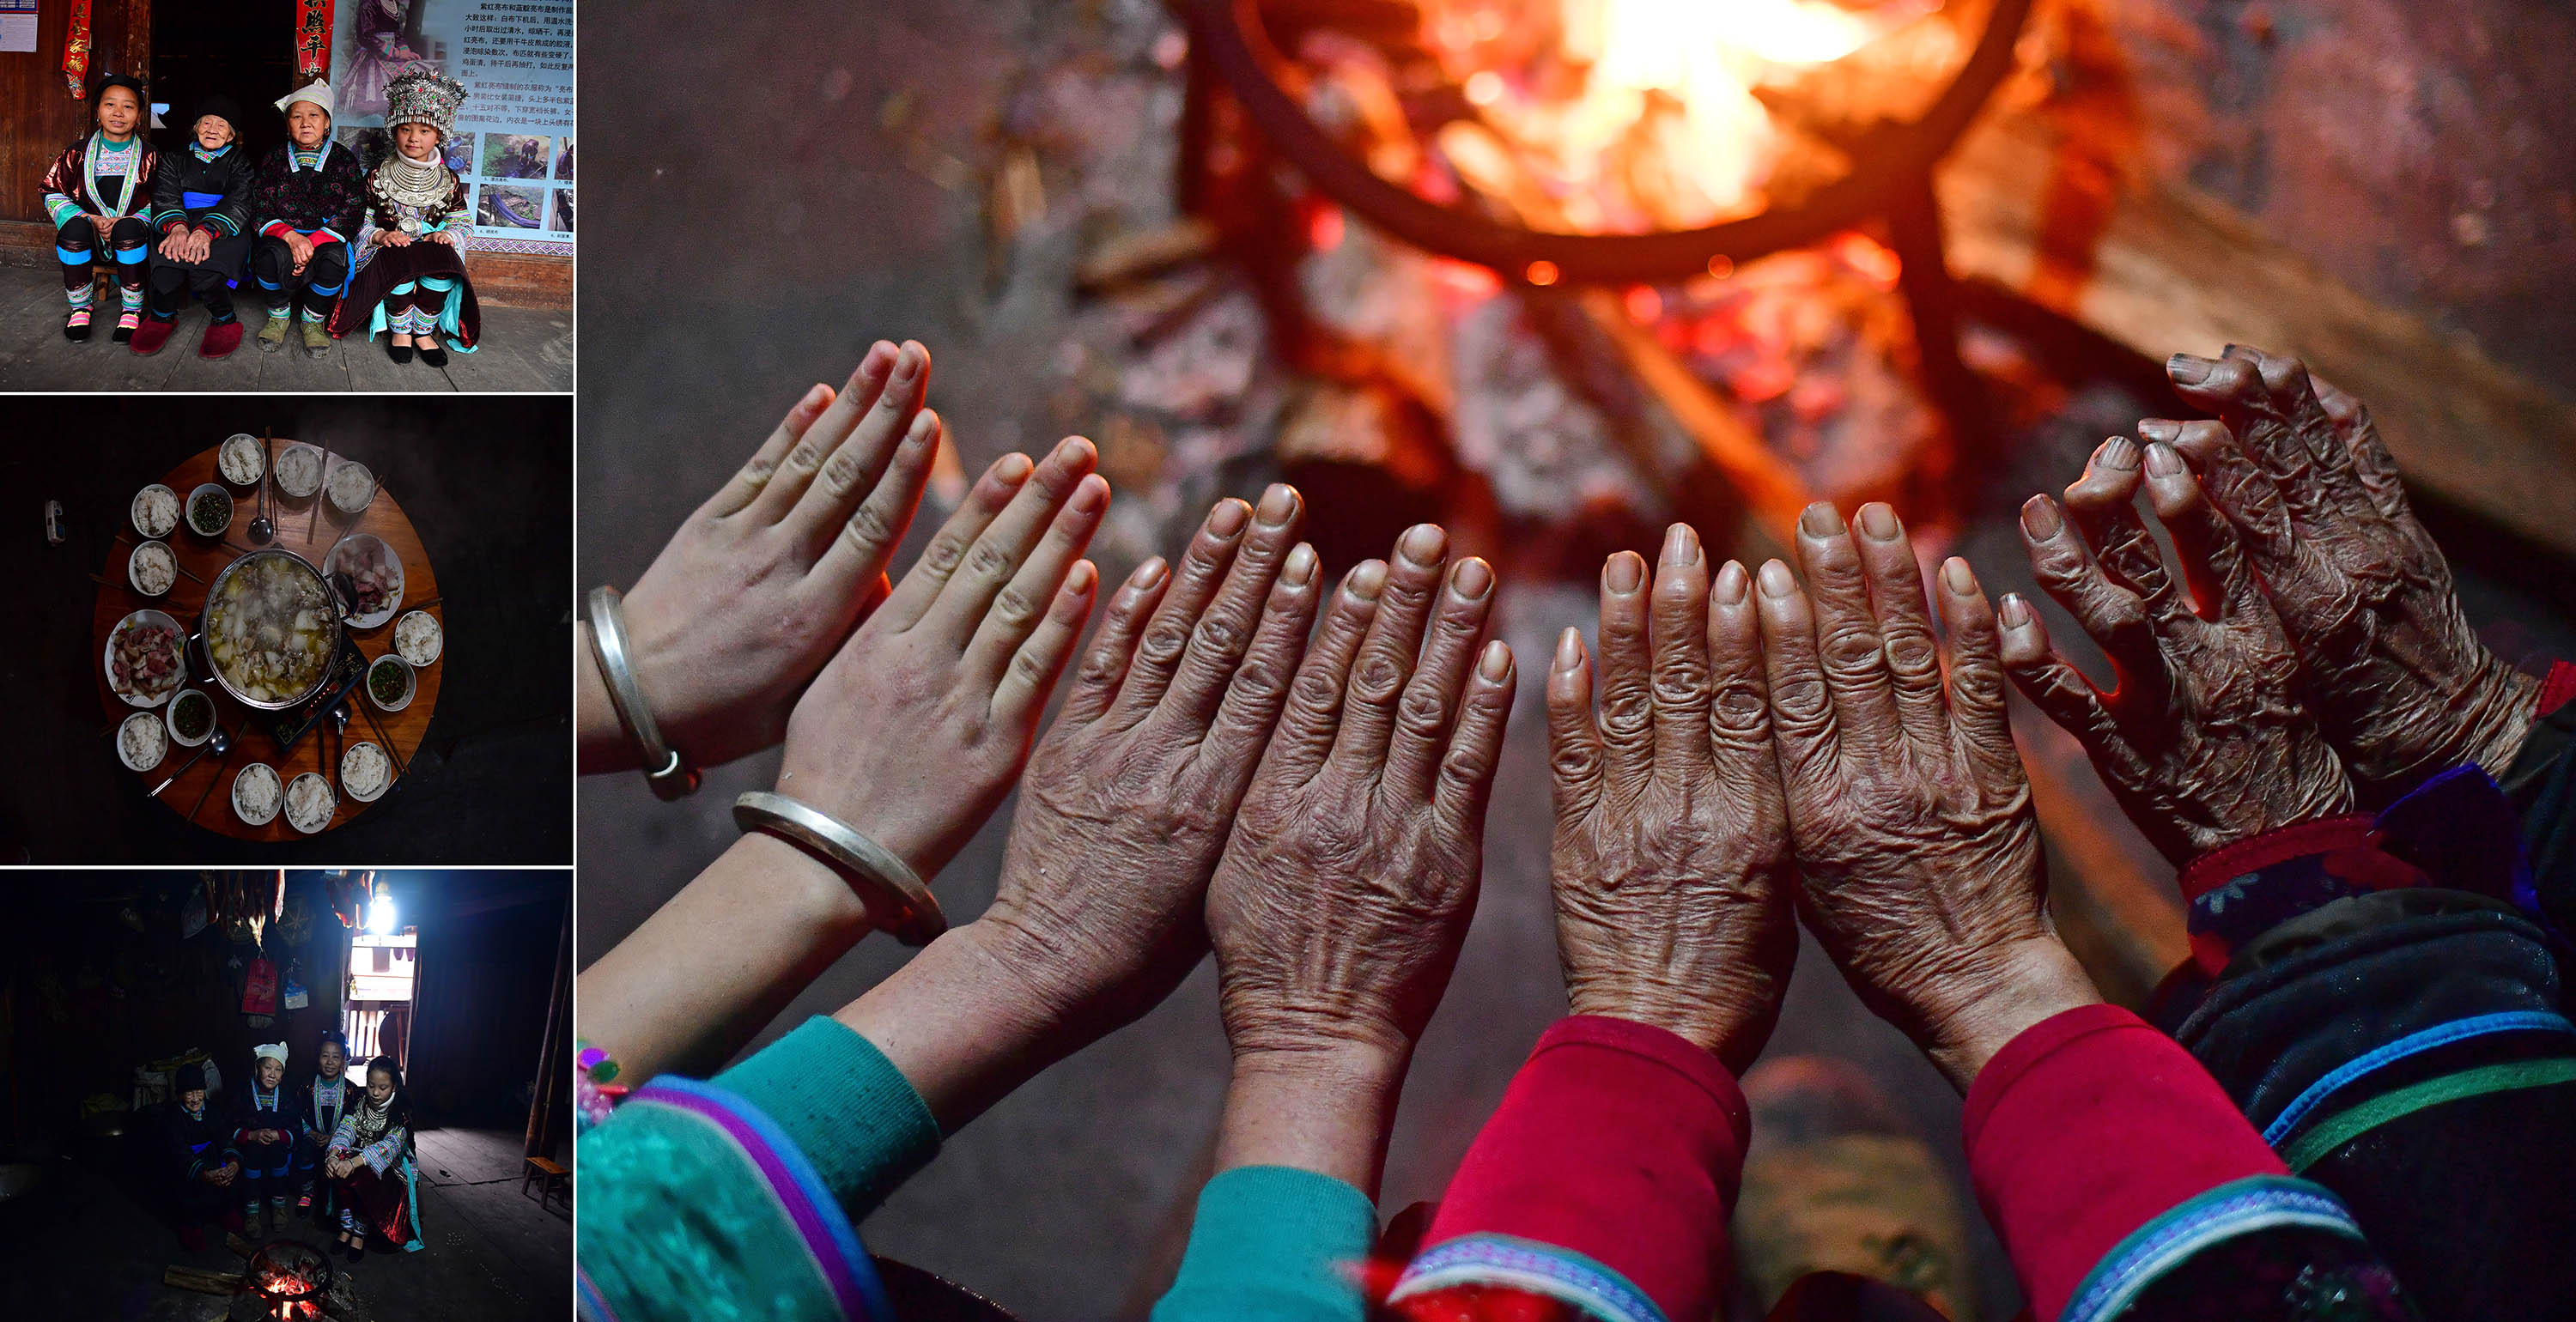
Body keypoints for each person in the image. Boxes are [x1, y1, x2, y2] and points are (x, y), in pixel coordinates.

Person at [332, 68, 478, 365]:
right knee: (398, 259)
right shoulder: (376, 176)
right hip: (390, 251)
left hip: (429, 250)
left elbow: (461, 221)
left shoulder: (448, 180)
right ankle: (400, 331)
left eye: (424, 131)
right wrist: (380, 235)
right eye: (406, 129)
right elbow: (360, 219)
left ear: (439, 135)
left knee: (441, 264)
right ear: (394, 131)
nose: (414, 138)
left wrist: (446, 234)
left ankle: (423, 332)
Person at [248, 81, 365, 359]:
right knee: (266, 259)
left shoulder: (343, 159)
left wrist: (312, 241)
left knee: (333, 263)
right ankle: (279, 315)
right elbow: (261, 204)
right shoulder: (275, 157)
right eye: (297, 116)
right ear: (288, 124)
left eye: (314, 115)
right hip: (283, 234)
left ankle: (313, 320)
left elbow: (354, 206)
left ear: (327, 123)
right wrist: (292, 237)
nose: (305, 123)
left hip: (326, 236)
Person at [132, 94, 255, 359]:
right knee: (167, 261)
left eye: (222, 125)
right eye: (207, 123)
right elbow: (164, 194)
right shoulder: (176, 158)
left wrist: (206, 230)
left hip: (222, 226)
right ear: (196, 128)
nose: (212, 129)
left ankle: (225, 319)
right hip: (179, 220)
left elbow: (240, 200)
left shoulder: (240, 163)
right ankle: (162, 317)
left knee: (206, 268)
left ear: (232, 135)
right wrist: (177, 227)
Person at [39, 74, 157, 343]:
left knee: (128, 228)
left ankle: (131, 309)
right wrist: (89, 218)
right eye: (109, 105)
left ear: (139, 115)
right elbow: (51, 190)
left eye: (128, 106)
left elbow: (163, 200)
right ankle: (80, 307)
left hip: (133, 238)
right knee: (74, 228)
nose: (118, 113)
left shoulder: (151, 156)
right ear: (97, 111)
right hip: (88, 237)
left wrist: (129, 221)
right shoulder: (76, 153)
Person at [323, 1056, 423, 1260]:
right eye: (371, 1086)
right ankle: (346, 1227)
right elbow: (347, 1128)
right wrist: (333, 1156)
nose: (375, 1093)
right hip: (359, 1157)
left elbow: (388, 1147)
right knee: (340, 1165)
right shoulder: (360, 1102)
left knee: (364, 1174)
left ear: (394, 1086)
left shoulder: (401, 1112)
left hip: (391, 1168)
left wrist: (352, 1163)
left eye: (383, 1087)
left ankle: (360, 1231)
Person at [163, 1063, 240, 1252]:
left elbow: (224, 1136)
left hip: (212, 1156)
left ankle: (224, 1211)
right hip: (189, 1163)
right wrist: (204, 1174)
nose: (196, 1098)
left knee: (226, 1185)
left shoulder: (212, 1109)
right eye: (189, 1093)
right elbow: (178, 1151)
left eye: (199, 1091)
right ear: (180, 1094)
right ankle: (192, 1226)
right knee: (191, 1194)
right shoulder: (173, 1116)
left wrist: (233, 1162)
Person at [228, 1042, 300, 1237]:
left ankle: (279, 1207)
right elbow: (228, 1125)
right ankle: (251, 1212)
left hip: (277, 1148)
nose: (272, 1074)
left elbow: (296, 1126)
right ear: (257, 1069)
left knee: (278, 1152)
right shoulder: (243, 1093)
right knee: (252, 1152)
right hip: (250, 1147)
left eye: (278, 1070)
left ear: (283, 1074)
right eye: (268, 1067)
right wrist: (251, 1135)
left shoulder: (285, 1096)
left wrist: (279, 1135)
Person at [293, 1032, 355, 1218]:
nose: (329, 1062)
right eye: (325, 1056)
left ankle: (337, 1198)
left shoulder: (351, 1090)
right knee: (304, 1150)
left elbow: (353, 1120)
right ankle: (306, 1192)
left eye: (336, 1057)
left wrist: (334, 1139)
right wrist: (311, 1133)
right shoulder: (306, 1087)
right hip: (312, 1137)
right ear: (318, 1058)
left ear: (343, 1060)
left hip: (339, 1141)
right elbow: (297, 1115)